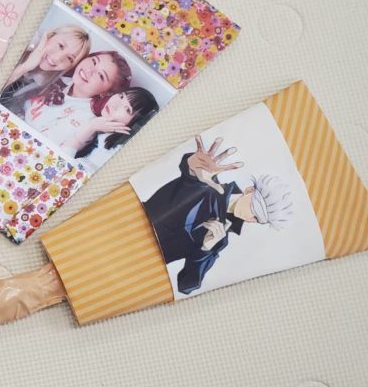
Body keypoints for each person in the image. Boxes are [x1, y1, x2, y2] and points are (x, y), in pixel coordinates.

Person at [143, 136, 293, 295]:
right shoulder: (206, 183)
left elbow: (186, 286)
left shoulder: (219, 239)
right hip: (130, 220)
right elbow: (193, 178)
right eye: (254, 208)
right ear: (249, 190)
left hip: (141, 265)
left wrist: (205, 249)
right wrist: (192, 168)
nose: (251, 218)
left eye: (257, 219)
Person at [0, 25, 91, 111]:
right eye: (61, 45)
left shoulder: (43, 84)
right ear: (50, 36)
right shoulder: (24, 40)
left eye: (69, 58)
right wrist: (25, 66)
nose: (57, 58)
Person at [70, 87, 159, 166]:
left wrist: (90, 127)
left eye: (127, 109)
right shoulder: (97, 123)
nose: (115, 104)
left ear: (135, 125)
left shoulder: (112, 152)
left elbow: (66, 164)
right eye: (121, 96)